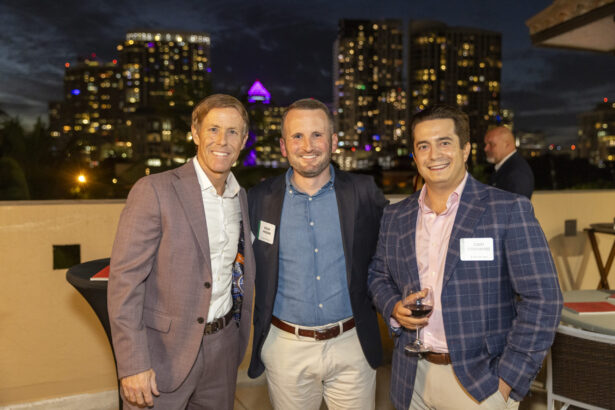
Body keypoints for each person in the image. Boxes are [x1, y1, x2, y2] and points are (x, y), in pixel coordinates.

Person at [368, 105, 562, 410]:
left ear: (466, 149)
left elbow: (544, 299)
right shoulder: (395, 216)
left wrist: (508, 379)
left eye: (444, 142)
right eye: (423, 146)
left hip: (481, 386)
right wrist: (393, 305)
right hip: (411, 378)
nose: (434, 155)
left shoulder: (507, 210)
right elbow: (378, 273)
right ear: (415, 156)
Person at [108, 94, 255, 410]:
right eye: (213, 129)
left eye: (233, 132)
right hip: (163, 352)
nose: (222, 140)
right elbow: (125, 283)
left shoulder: (239, 197)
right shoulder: (155, 190)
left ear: (243, 140)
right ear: (195, 133)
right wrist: (132, 363)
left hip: (223, 347)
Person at [247, 98, 387, 410]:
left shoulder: (363, 192)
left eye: (317, 135)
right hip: (285, 347)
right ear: (284, 146)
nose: (308, 145)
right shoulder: (259, 199)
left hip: (352, 342)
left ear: (334, 141)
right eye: (297, 136)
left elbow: (392, 251)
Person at [484, 126, 534, 198]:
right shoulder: (507, 167)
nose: (486, 149)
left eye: (491, 144)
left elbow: (517, 207)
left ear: (507, 144)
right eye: (486, 144)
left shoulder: (517, 172)